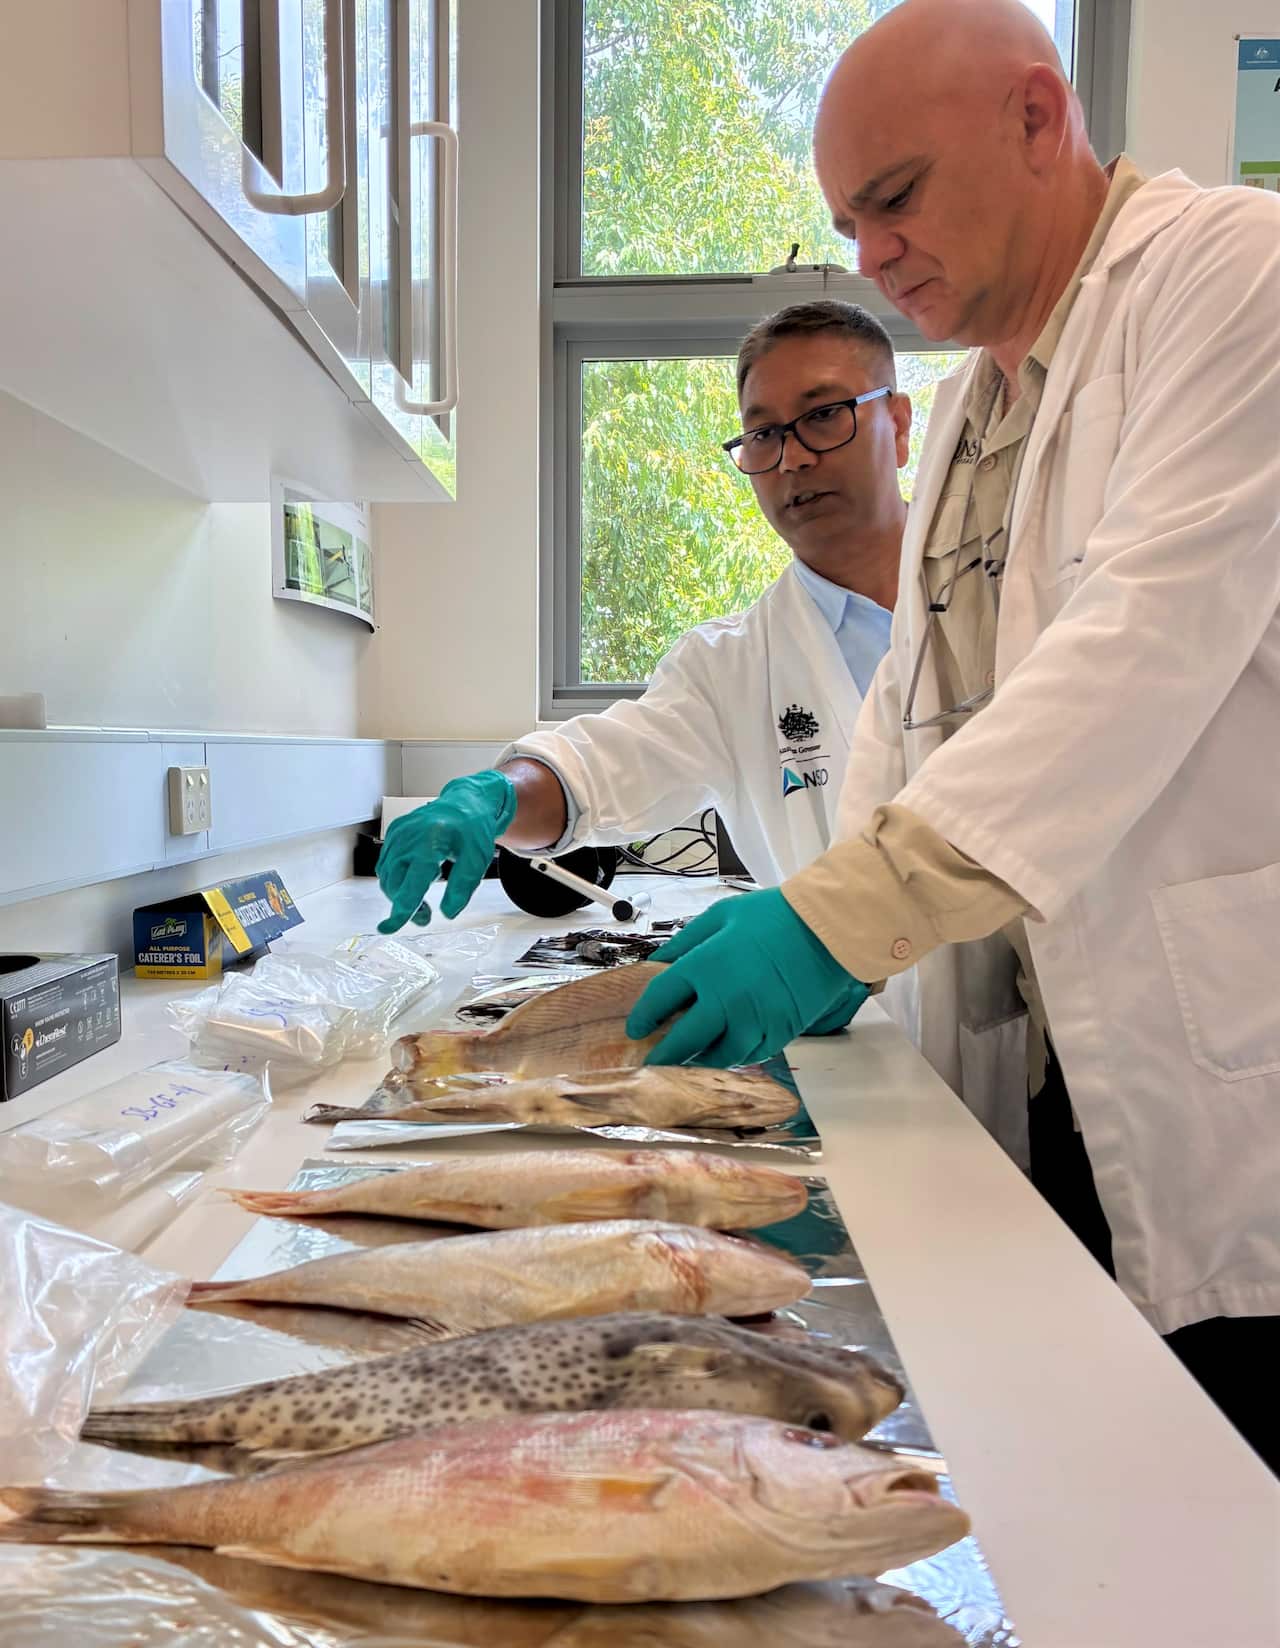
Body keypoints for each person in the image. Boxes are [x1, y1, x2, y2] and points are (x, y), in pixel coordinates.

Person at [625, 0, 1280, 1468]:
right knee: (1105, 1500)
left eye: (897, 199)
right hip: (1059, 1079)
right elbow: (910, 737)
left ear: (1038, 119)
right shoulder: (991, 398)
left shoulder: (1236, 274)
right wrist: (825, 952)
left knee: (1232, 1523)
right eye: (850, 223)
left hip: (1225, 1078)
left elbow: (1135, 655)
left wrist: (835, 923)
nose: (871, 256)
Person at [377, 300, 912, 1026]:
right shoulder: (731, 664)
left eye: (823, 416)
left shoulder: (1007, 599)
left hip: (1038, 1034)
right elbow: (607, 763)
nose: (791, 458)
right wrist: (495, 797)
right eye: (762, 434)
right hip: (849, 1034)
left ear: (900, 424)